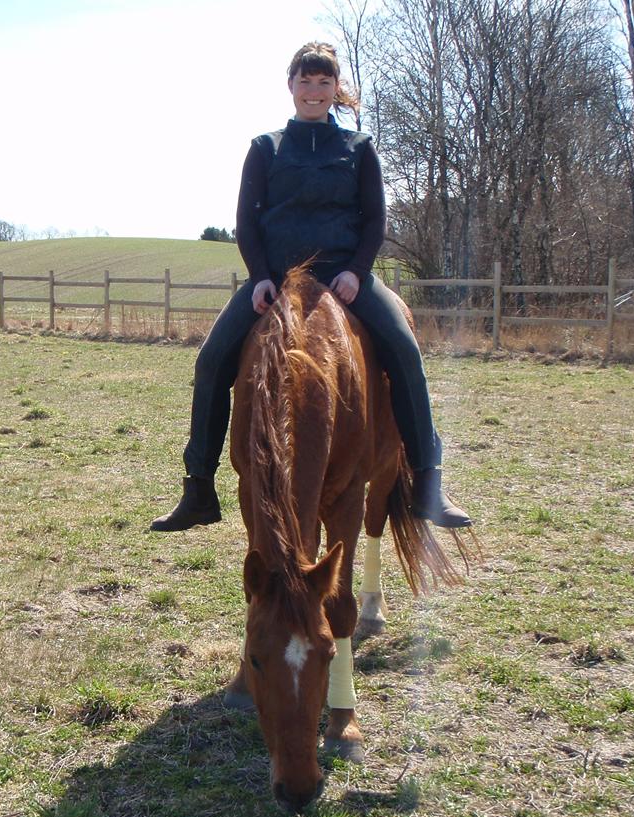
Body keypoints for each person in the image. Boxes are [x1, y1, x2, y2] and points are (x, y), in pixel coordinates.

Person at [151, 42, 470, 532]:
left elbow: (375, 220)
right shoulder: (266, 148)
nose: (314, 92)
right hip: (276, 281)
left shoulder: (359, 149)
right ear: (291, 86)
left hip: (344, 278)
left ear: (334, 90)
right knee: (211, 360)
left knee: (405, 351)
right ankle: (198, 487)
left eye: (324, 83)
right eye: (306, 81)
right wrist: (260, 276)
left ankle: (429, 481)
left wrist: (357, 272)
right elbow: (246, 220)